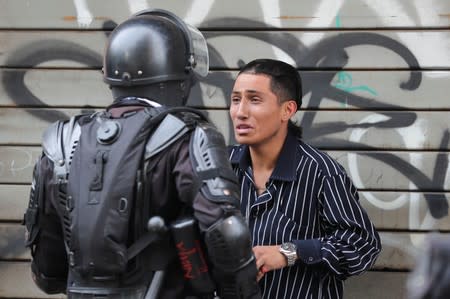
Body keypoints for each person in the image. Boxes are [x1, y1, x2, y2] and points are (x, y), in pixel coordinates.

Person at [22, 9, 260, 299]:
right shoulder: (186, 137)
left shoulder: (61, 142)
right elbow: (227, 232)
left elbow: (48, 270)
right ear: (179, 75)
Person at [228, 58, 382, 299]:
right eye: (236, 99)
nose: (240, 112)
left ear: (287, 110)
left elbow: (362, 245)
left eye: (254, 100)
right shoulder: (220, 167)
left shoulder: (322, 173)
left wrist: (290, 252)